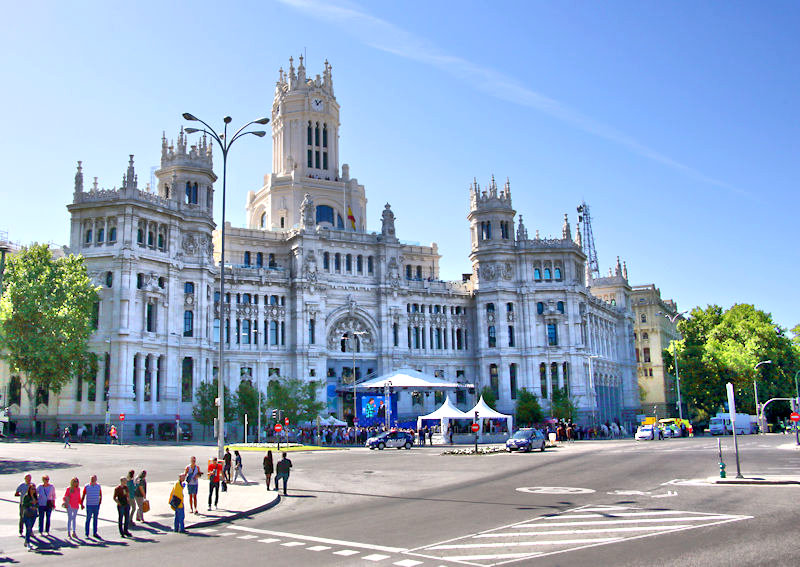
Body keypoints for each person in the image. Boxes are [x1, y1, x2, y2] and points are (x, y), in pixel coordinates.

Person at [21, 484, 38, 551]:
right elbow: (24, 504)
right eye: (32, 489)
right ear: (29, 489)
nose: (33, 490)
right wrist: (30, 504)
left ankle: (26, 541)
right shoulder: (26, 496)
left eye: (34, 489)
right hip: (27, 513)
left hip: (33, 514)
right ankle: (28, 543)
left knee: (30, 528)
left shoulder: (35, 496)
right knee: (28, 527)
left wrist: (36, 506)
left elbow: (37, 504)